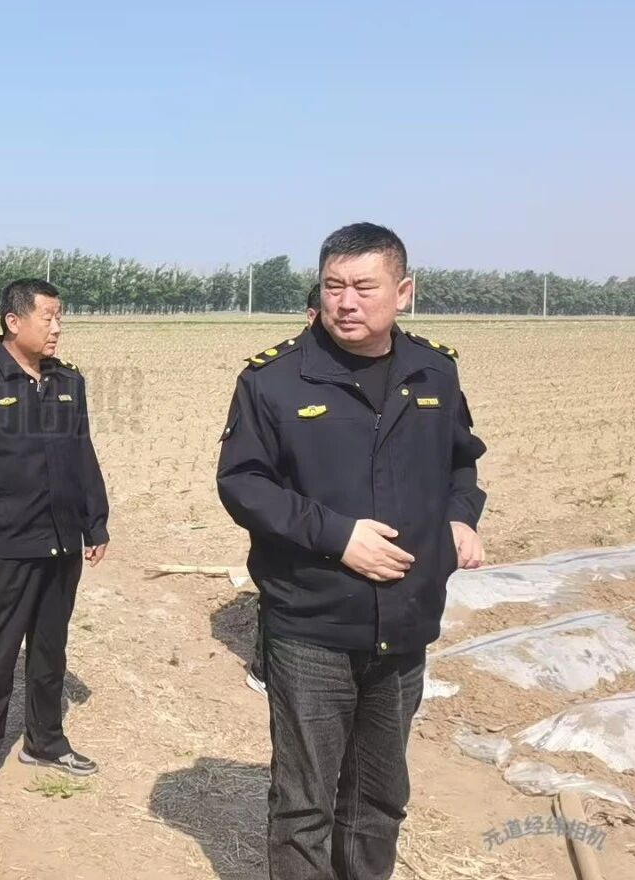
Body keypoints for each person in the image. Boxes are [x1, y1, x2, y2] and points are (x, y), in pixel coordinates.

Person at [216, 224, 486, 879]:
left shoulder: (434, 371)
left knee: (379, 799)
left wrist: (460, 518)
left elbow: (461, 462)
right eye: (334, 286)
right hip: (312, 624)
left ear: (403, 291)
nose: (345, 302)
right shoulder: (275, 380)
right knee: (304, 806)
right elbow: (243, 484)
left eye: (364, 287)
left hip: (405, 622)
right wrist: (338, 537)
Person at [0, 278, 109, 797]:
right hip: (6, 544)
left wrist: (95, 521)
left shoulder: (68, 381)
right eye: (47, 318)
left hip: (61, 540)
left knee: (50, 649)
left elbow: (82, 453)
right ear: (13, 322)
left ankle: (45, 741)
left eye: (60, 318)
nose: (57, 328)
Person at [245, 281, 322, 696]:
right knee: (280, 587)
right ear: (311, 316)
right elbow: (248, 473)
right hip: (288, 513)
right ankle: (264, 668)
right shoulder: (276, 376)